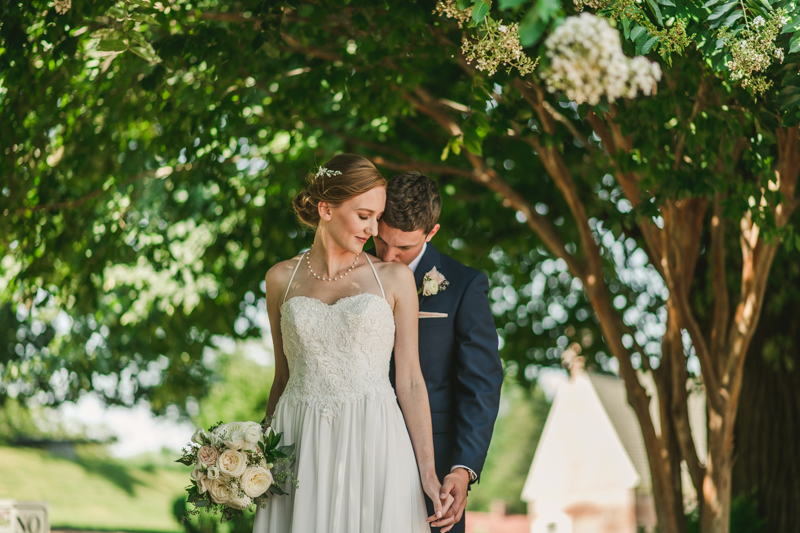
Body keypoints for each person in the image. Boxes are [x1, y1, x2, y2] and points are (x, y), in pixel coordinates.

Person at [253, 154, 449, 533]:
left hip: (373, 436)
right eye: (364, 216)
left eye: (377, 217)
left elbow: (409, 380)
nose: (374, 230)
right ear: (326, 209)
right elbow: (282, 378)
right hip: (297, 438)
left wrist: (428, 472)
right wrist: (256, 453)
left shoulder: (392, 279)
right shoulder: (279, 279)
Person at [371, 172, 504, 533]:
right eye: (382, 242)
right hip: (360, 448)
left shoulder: (464, 285)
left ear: (432, 232)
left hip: (433, 467)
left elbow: (482, 384)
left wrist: (462, 470)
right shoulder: (351, 271)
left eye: (404, 248)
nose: (389, 256)